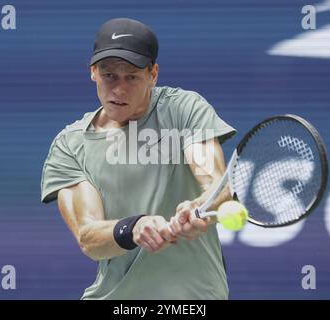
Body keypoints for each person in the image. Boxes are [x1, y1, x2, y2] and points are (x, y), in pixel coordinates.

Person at [41, 17, 236, 299]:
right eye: (109, 75)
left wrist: (196, 209)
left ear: (153, 74)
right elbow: (89, 238)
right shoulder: (70, 145)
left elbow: (218, 187)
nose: (119, 90)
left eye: (132, 77)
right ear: (93, 72)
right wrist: (134, 227)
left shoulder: (184, 109)